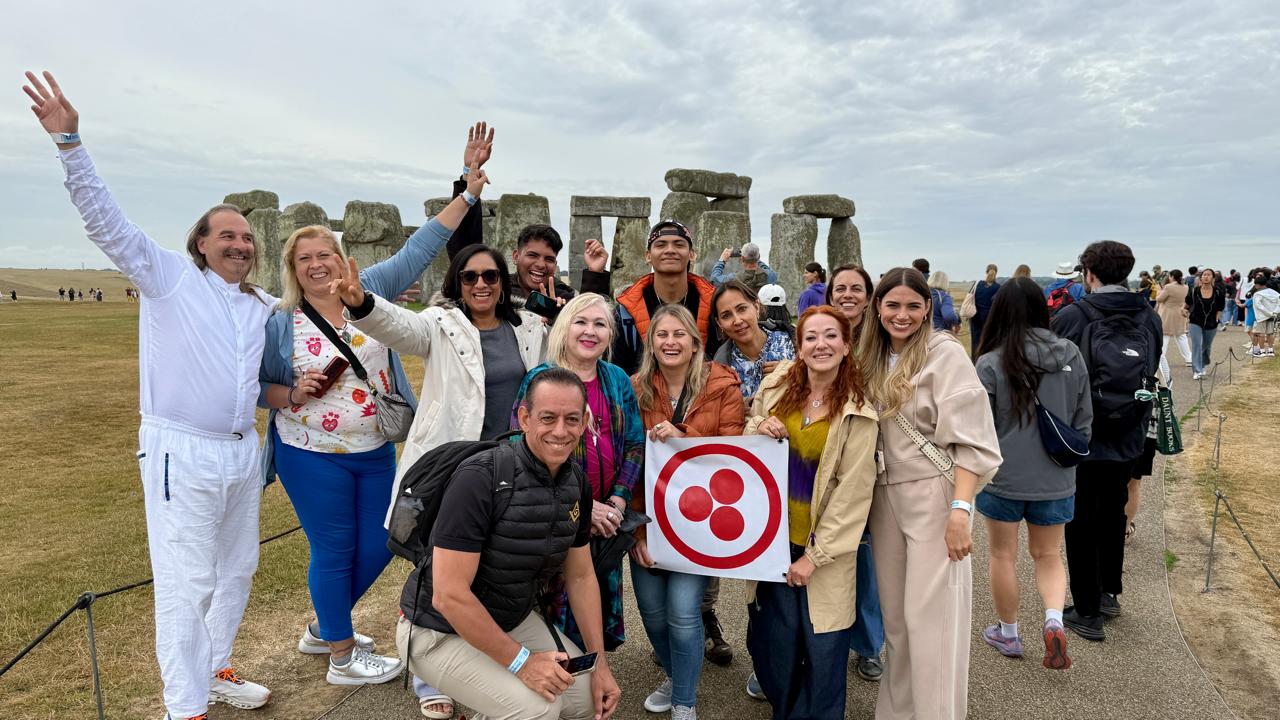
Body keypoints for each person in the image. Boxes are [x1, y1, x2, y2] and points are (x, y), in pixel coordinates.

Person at [26, 70, 272, 719]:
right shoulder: (169, 276)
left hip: (242, 449)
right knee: (186, 582)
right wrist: (70, 143)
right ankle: (184, 707)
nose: (240, 244)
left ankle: (214, 670)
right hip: (180, 451)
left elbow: (312, 318)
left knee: (237, 569)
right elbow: (107, 224)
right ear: (201, 243)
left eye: (247, 237)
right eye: (227, 235)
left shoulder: (259, 303)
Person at [257, 149, 488, 687]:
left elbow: (421, 246)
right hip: (310, 453)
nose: (317, 264)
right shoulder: (280, 321)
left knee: (385, 541)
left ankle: (326, 626)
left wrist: (467, 191)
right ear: (292, 268)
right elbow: (257, 388)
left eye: (325, 254)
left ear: (342, 260)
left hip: (377, 448)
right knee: (334, 548)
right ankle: (341, 656)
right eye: (304, 258)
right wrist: (291, 392)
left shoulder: (372, 288)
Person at [394, 369, 621, 720]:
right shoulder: (480, 477)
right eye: (548, 418)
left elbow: (580, 576)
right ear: (525, 418)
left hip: (507, 619)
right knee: (538, 709)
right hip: (437, 631)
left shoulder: (575, 481)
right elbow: (448, 595)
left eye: (572, 419)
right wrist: (523, 663)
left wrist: (601, 664)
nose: (561, 431)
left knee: (588, 697)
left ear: (585, 422)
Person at [858, 267, 1002, 720]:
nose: (901, 315)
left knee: (933, 622)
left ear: (927, 309)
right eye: (892, 305)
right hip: (884, 496)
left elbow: (973, 441)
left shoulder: (945, 355)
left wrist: (960, 510)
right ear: (878, 307)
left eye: (912, 306)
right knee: (897, 623)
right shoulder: (871, 355)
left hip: (933, 493)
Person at [747, 306, 879, 720]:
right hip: (772, 542)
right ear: (799, 347)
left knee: (824, 651)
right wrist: (759, 427)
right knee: (775, 647)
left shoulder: (858, 411)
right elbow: (746, 435)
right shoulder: (776, 389)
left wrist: (814, 557)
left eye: (831, 336)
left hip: (823, 550)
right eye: (811, 337)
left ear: (846, 346)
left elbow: (853, 494)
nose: (821, 344)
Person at [508, 293, 644, 654]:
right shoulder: (541, 379)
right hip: (555, 518)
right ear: (565, 329)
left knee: (594, 607)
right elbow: (522, 447)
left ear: (610, 334)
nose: (590, 331)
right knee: (556, 616)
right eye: (580, 322)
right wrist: (584, 507)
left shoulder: (617, 379)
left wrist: (618, 500)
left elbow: (634, 442)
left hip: (607, 521)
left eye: (600, 324)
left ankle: (592, 671)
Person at [630, 304, 746, 720]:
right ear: (651, 344)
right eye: (662, 335)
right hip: (650, 521)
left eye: (679, 334)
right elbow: (630, 461)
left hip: (699, 523)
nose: (670, 342)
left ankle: (684, 700)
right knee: (653, 615)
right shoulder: (635, 388)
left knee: (682, 613)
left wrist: (686, 436)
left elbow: (735, 454)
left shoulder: (722, 386)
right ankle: (675, 675)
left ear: (696, 344)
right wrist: (636, 531)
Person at [973, 278, 1092, 670]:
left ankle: (1008, 633)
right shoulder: (1070, 353)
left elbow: (980, 428)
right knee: (1048, 555)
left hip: (1003, 476)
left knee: (1002, 554)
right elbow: (1084, 418)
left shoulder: (990, 362)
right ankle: (1053, 619)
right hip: (1056, 475)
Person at [1050, 241, 1161, 641]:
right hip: (1130, 430)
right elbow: (1151, 367)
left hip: (1082, 433)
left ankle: (1086, 610)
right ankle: (1108, 592)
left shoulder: (1073, 316)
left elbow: (1054, 372)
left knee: (1080, 519)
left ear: (1089, 274)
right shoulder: (1148, 316)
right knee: (1114, 511)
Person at [442, 122, 611, 308]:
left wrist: (595, 273)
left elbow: (589, 315)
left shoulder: (564, 299)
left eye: (549, 259)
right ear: (516, 256)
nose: (541, 264)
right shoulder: (495, 290)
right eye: (532, 255)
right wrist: (468, 177)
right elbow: (466, 256)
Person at [822, 263, 886, 683]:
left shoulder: (882, 340)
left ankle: (868, 643)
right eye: (840, 288)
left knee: (863, 554)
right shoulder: (821, 330)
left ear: (869, 296)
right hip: (824, 456)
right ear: (830, 294)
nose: (847, 294)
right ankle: (825, 638)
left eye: (856, 288)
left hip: (868, 454)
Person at [611, 220, 720, 374]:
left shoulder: (715, 306)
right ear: (648, 256)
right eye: (661, 245)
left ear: (692, 254)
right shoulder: (624, 314)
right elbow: (613, 373)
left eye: (679, 245)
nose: (670, 250)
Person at [711, 280, 795, 402]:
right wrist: (736, 409)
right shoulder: (721, 368)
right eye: (726, 316)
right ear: (719, 323)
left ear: (756, 307)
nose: (737, 321)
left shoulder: (792, 341)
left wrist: (794, 372)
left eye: (742, 309)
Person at [1184, 267, 1225, 380]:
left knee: (1206, 346)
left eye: (1209, 275)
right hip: (1195, 321)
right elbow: (1187, 303)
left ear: (1213, 278)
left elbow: (1221, 307)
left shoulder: (1218, 291)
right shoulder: (1194, 290)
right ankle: (1197, 370)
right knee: (1197, 345)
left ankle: (1203, 364)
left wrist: (1218, 317)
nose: (1206, 277)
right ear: (1201, 278)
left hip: (1211, 322)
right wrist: (1183, 310)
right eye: (1204, 275)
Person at [1156, 270, 1192, 384]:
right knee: (1181, 336)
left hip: (1167, 314)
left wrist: (1159, 290)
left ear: (1171, 276)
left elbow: (1159, 299)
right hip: (1180, 313)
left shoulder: (1168, 287)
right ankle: (1189, 359)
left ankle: (1160, 358)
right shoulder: (1185, 287)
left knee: (1164, 336)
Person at [710, 242, 777, 292]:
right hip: (763, 307)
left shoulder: (735, 279)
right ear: (759, 256)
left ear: (742, 258)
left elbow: (714, 279)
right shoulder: (771, 275)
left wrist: (722, 260)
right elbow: (765, 268)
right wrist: (754, 256)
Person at [968, 264, 1001, 355]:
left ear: (986, 272)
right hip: (991, 319)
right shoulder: (998, 287)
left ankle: (975, 360)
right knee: (989, 343)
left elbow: (970, 296)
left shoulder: (977, 284)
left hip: (976, 317)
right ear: (996, 273)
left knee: (976, 343)